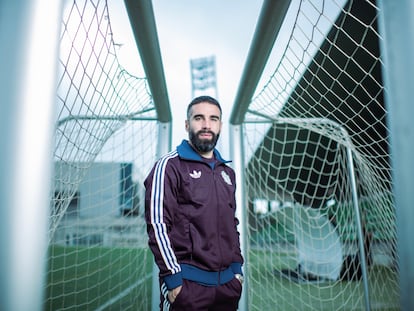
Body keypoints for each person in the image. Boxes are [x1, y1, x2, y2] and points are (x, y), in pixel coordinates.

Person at [144, 95, 244, 310]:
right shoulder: (169, 166)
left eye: (213, 119)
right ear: (187, 124)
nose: (207, 125)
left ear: (220, 125)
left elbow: (231, 224)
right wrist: (173, 279)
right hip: (188, 288)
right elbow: (158, 225)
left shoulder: (227, 173)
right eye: (199, 118)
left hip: (227, 287)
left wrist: (237, 269)